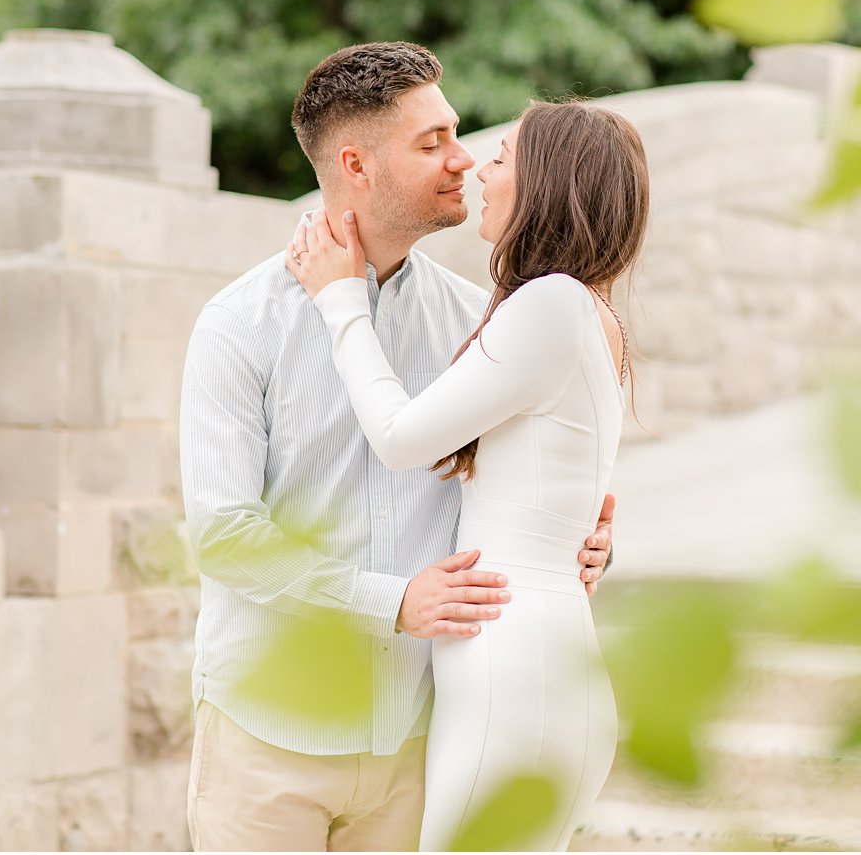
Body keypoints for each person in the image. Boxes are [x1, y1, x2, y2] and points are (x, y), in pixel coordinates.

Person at [179, 42, 615, 852]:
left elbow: (524, 472)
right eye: (432, 144)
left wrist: (577, 541)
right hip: (269, 742)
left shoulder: (477, 320)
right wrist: (393, 600)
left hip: (422, 734)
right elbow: (224, 536)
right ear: (357, 164)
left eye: (454, 132)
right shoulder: (239, 324)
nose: (464, 161)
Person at [284, 98, 648, 851]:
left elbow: (400, 436)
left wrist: (340, 301)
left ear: (548, 183)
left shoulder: (550, 304)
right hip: (542, 661)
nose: (481, 168)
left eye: (504, 156)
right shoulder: (582, 311)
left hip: (514, 669)